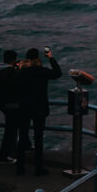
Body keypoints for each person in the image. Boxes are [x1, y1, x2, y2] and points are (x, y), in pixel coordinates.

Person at [24, 43, 62, 173]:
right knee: (38, 137)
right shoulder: (43, 71)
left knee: (23, 135)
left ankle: (20, 167)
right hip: (40, 107)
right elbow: (57, 73)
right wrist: (50, 57)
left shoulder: (23, 72)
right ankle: (38, 167)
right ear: (37, 58)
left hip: (25, 107)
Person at [0, 49, 29, 174]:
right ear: (13, 60)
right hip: (12, 104)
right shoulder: (9, 71)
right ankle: (4, 156)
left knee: (11, 129)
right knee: (11, 130)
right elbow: (14, 86)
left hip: (3, 104)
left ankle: (10, 152)